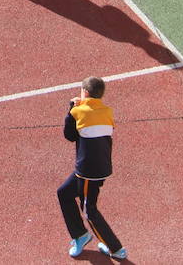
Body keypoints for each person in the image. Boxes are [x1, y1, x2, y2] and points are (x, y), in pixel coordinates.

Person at [57, 76, 127, 260]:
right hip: (99, 166)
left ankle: (116, 249)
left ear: (85, 93)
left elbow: (69, 136)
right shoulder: (108, 111)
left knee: (89, 210)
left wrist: (71, 108)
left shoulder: (78, 111)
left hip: (88, 171)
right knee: (64, 193)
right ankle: (80, 235)